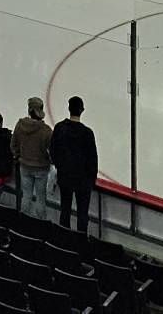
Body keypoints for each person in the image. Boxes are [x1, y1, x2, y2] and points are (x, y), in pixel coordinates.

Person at [50, 96, 98, 231]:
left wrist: (60, 166)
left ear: (69, 109)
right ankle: (80, 239)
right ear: (82, 110)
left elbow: (53, 151)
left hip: (65, 177)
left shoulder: (60, 128)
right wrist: (92, 180)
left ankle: (64, 238)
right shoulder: (87, 133)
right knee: (82, 213)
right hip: (83, 180)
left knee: (65, 210)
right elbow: (92, 159)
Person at [14, 96, 53, 220]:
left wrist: (18, 155)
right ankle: (40, 224)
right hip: (41, 168)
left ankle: (24, 222)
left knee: (26, 196)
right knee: (41, 199)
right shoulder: (46, 131)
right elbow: (52, 151)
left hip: (25, 166)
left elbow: (13, 145)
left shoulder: (20, 125)